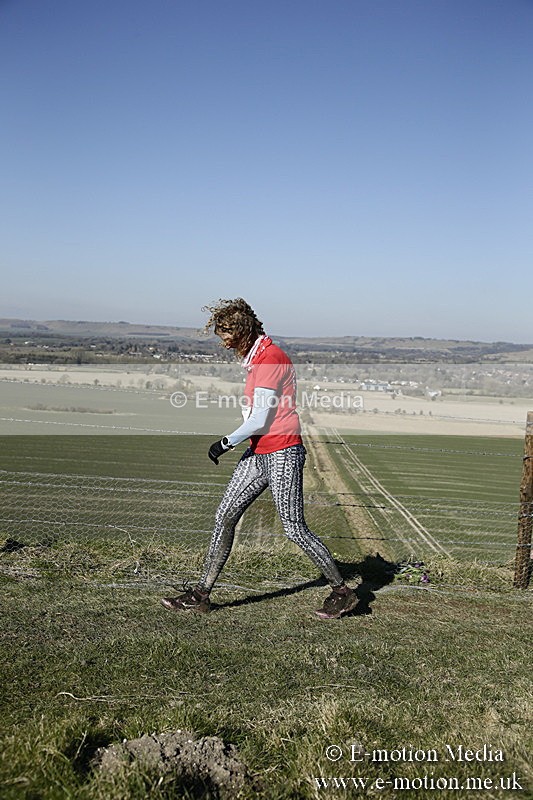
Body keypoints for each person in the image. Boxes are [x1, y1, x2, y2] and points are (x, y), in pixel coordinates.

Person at [161, 298, 357, 620]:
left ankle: (342, 592)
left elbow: (259, 419)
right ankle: (200, 595)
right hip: (260, 451)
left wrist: (225, 443)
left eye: (227, 335)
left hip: (283, 451)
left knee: (294, 528)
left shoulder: (270, 359)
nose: (224, 343)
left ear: (242, 332)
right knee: (225, 515)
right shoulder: (256, 359)